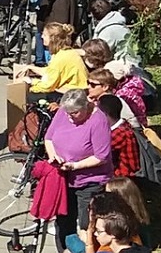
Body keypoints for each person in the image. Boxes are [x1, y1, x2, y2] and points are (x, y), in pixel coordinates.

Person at [44, 89, 112, 243]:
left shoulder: (98, 121)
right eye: (67, 112)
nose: (69, 117)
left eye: (74, 113)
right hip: (63, 178)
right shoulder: (65, 111)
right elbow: (48, 138)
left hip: (89, 181)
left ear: (85, 106)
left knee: (85, 223)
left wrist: (74, 166)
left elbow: (101, 156)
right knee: (63, 219)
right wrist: (53, 155)